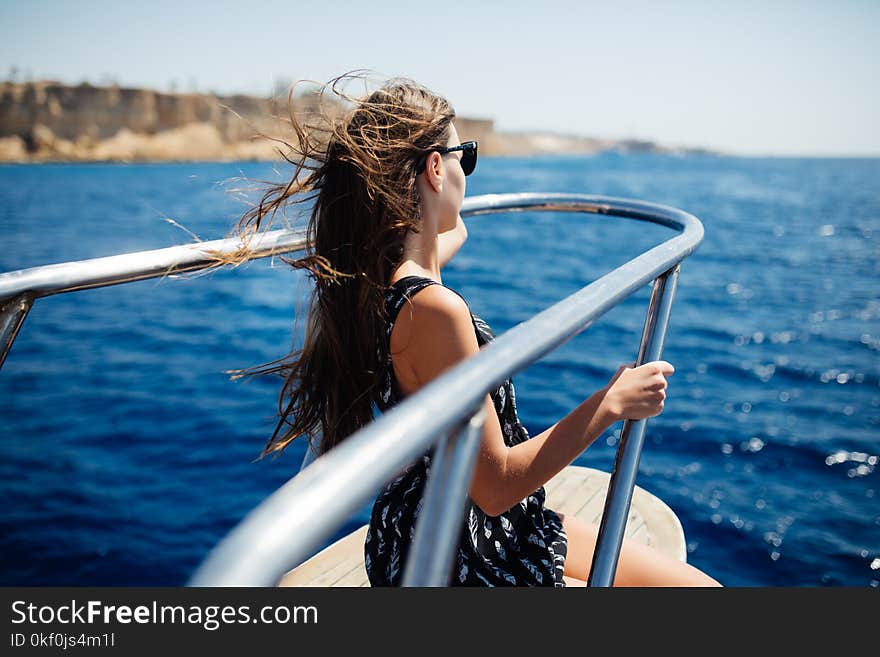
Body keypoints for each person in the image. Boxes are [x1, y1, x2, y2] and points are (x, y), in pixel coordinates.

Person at [208, 70, 721, 587]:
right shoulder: (434, 311)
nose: (467, 172)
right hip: (464, 548)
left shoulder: (374, 282)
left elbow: (450, 235)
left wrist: (433, 210)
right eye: (464, 158)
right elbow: (496, 486)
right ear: (435, 168)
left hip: (438, 521)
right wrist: (610, 403)